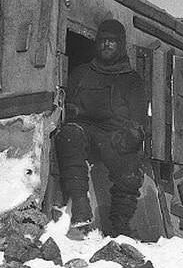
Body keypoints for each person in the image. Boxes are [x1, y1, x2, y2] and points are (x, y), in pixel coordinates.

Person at [55, 19, 148, 238]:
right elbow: (67, 106)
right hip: (85, 131)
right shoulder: (81, 73)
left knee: (130, 164)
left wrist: (130, 137)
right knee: (69, 135)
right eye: (103, 41)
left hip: (115, 136)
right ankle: (80, 208)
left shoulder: (132, 80)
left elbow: (139, 119)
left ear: (121, 45)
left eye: (112, 41)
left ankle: (121, 226)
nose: (107, 45)